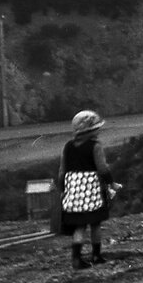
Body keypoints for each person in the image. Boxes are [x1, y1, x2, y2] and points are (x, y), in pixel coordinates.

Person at [56, 110, 117, 270]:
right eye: (97, 128)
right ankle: (96, 255)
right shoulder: (95, 146)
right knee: (95, 223)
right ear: (91, 130)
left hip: (73, 190)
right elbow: (102, 169)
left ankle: (76, 258)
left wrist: (62, 189)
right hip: (92, 190)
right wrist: (112, 184)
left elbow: (62, 170)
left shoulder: (67, 146)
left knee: (79, 226)